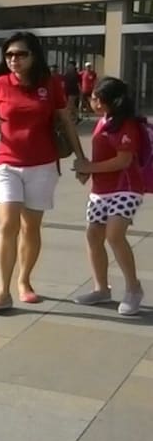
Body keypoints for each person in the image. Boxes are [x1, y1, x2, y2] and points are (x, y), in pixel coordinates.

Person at [0, 32, 84, 311]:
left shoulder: (51, 84)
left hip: (43, 165)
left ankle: (24, 281)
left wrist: (83, 158)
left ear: (34, 56)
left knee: (31, 227)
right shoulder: (0, 83)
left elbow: (66, 122)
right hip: (7, 163)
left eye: (21, 54)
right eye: (9, 54)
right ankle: (2, 290)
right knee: (7, 224)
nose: (14, 59)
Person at [72, 78, 145, 315]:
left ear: (108, 101)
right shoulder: (103, 121)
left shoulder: (127, 125)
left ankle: (133, 289)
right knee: (94, 235)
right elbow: (100, 155)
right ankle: (101, 289)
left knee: (114, 235)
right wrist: (86, 171)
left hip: (126, 187)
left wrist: (89, 167)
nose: (91, 101)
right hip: (100, 190)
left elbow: (123, 160)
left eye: (95, 97)